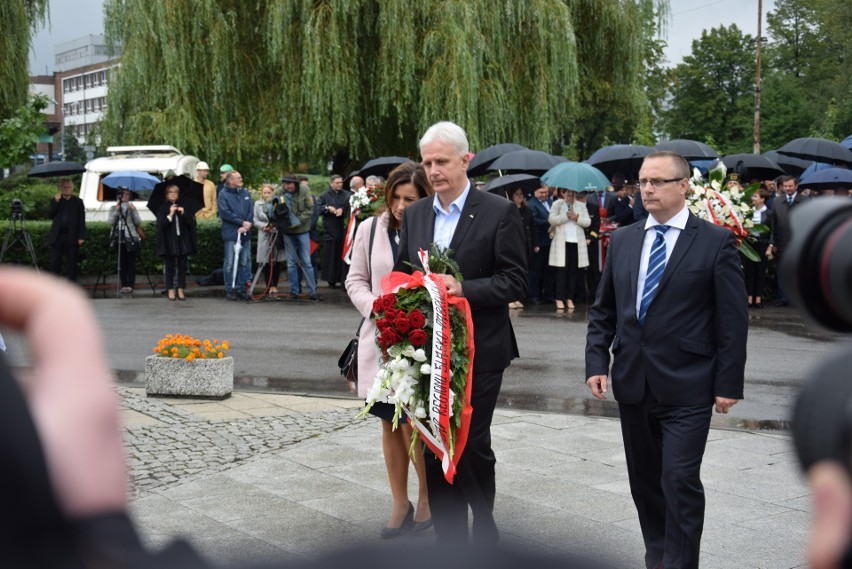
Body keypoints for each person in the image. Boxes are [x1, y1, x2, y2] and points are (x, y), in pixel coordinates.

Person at [585, 151, 748, 569]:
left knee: (679, 480)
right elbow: (604, 310)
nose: (648, 189)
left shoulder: (714, 241)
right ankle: (656, 556)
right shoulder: (623, 239)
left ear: (683, 186)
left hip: (689, 383)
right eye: (643, 182)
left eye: (658, 181)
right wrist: (596, 363)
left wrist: (728, 383)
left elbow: (732, 319)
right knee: (645, 484)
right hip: (634, 381)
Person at [394, 121, 527, 545]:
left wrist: (462, 288)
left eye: (442, 161)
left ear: (465, 161)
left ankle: (484, 523)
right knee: (435, 444)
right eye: (427, 162)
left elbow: (516, 281)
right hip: (425, 353)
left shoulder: (498, 212)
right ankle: (450, 542)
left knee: (470, 442)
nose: (433, 170)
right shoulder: (415, 213)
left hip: (480, 350)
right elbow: (401, 273)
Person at [345, 161, 434, 539]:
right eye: (395, 197)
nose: (401, 205)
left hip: (420, 342)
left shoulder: (431, 229)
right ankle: (401, 501)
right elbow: (356, 279)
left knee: (418, 424)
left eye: (409, 199)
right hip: (380, 340)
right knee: (390, 423)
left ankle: (428, 499)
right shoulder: (370, 228)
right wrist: (376, 308)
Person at [279, 175, 321, 301]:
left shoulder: (305, 190)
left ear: (295, 184)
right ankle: (294, 291)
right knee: (291, 263)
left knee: (306, 262)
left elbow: (310, 209)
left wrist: (296, 221)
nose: (288, 187)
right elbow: (269, 203)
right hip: (288, 232)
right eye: (286, 185)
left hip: (302, 231)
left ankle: (312, 291)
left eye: (290, 185)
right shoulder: (280, 191)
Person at [548, 187, 590, 311]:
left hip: (576, 242)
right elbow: (551, 220)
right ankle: (559, 298)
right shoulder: (557, 204)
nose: (571, 196)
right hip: (562, 242)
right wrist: (566, 216)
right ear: (563, 193)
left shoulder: (581, 206)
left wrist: (576, 218)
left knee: (573, 272)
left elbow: (587, 222)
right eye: (568, 194)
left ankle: (569, 297)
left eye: (573, 194)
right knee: (561, 271)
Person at [767, 175, 805, 307]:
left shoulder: (805, 201)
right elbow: (773, 225)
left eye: (790, 186)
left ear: (796, 186)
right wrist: (772, 243)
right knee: (782, 271)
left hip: (799, 243)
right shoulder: (777, 202)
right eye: (786, 186)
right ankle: (783, 297)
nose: (788, 189)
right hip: (781, 243)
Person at [156, 184, 197, 301]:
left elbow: (192, 224)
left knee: (182, 265)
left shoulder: (184, 206)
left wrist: (183, 213)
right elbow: (161, 226)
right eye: (170, 192)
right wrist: (170, 214)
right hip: (169, 241)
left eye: (175, 192)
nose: (173, 194)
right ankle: (170, 289)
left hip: (182, 240)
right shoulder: (162, 208)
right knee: (169, 266)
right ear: (167, 194)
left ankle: (180, 288)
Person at [217, 170, 253, 301]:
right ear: (230, 180)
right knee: (230, 263)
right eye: (238, 178)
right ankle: (229, 289)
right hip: (231, 233)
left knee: (244, 262)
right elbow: (225, 213)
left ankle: (240, 288)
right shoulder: (223, 194)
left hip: (245, 232)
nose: (241, 179)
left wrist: (247, 223)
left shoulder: (245, 192)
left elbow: (250, 209)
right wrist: (241, 222)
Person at [48, 178, 86, 282]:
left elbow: (81, 220)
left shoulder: (78, 202)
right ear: (61, 188)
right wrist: (56, 201)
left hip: (72, 236)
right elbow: (50, 215)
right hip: (58, 236)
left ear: (72, 188)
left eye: (68, 187)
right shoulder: (56, 200)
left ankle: (72, 284)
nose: (66, 189)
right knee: (56, 262)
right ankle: (54, 284)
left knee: (73, 262)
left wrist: (81, 236)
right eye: (64, 187)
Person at [316, 174, 351, 288]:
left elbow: (350, 205)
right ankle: (331, 279)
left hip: (343, 228)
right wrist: (327, 208)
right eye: (337, 183)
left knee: (342, 254)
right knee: (331, 255)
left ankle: (342, 278)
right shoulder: (324, 195)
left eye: (341, 182)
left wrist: (343, 209)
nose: (340, 184)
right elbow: (317, 208)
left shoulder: (347, 194)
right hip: (330, 229)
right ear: (331, 183)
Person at [108, 188, 144, 294]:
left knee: (131, 263)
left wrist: (133, 210)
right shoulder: (113, 207)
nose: (124, 196)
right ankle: (123, 284)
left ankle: (130, 285)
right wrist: (117, 211)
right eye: (122, 194)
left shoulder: (132, 207)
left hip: (130, 237)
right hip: (117, 237)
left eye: (127, 194)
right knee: (121, 262)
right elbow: (110, 222)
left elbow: (138, 222)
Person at [253, 183, 285, 296]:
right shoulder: (257, 204)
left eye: (269, 192)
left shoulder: (277, 203)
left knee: (275, 261)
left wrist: (274, 225)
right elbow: (255, 219)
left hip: (275, 234)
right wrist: (264, 226)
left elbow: (282, 217)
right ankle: (267, 285)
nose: (266, 194)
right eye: (264, 192)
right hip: (264, 234)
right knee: (265, 261)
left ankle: (275, 285)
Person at [507, 186, 535, 309]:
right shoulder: (508, 209)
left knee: (523, 271)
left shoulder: (526, 210)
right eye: (517, 194)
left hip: (525, 244)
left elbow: (532, 228)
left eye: (521, 194)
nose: (519, 196)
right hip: (512, 244)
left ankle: (518, 297)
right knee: (513, 271)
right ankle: (510, 298)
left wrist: (535, 244)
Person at [526, 185, 554, 305]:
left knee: (549, 270)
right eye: (541, 192)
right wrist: (551, 221)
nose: (544, 195)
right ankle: (534, 295)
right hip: (539, 242)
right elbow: (535, 221)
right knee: (535, 270)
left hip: (550, 241)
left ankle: (548, 295)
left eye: (546, 192)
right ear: (535, 192)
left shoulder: (550, 201)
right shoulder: (531, 204)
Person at [744, 187, 771, 309]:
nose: (752, 198)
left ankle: (758, 298)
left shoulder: (769, 213)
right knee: (750, 272)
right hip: (750, 244)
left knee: (760, 272)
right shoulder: (749, 212)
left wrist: (770, 246)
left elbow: (773, 231)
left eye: (755, 196)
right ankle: (749, 298)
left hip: (763, 244)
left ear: (762, 199)